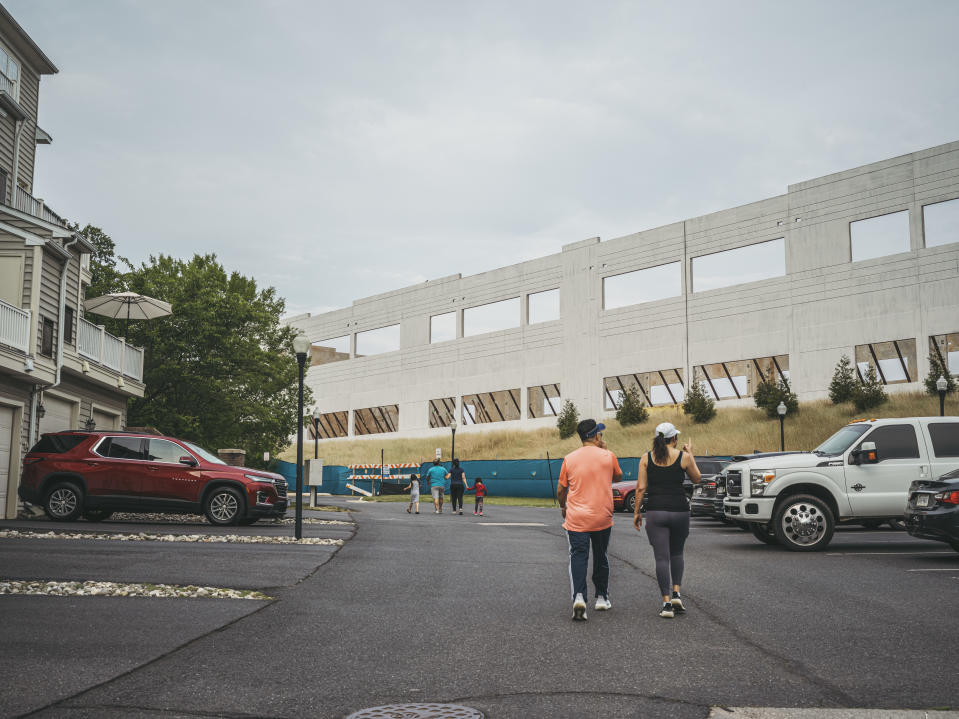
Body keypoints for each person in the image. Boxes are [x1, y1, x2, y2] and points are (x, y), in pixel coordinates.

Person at [633, 422, 701, 618]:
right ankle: (677, 593)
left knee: (661, 557)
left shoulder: (646, 458)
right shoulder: (683, 457)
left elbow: (640, 488)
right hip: (680, 510)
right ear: (674, 439)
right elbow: (697, 478)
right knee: (677, 553)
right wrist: (690, 453)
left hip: (656, 511)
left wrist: (637, 512)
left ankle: (666, 604)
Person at [557, 419, 622, 621]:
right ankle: (602, 597)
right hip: (602, 516)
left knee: (578, 555)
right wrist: (605, 452)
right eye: (600, 434)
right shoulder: (608, 456)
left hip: (577, 517)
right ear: (595, 436)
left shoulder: (569, 458)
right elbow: (618, 477)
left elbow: (561, 489)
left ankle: (579, 597)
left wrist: (563, 506)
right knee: (601, 555)